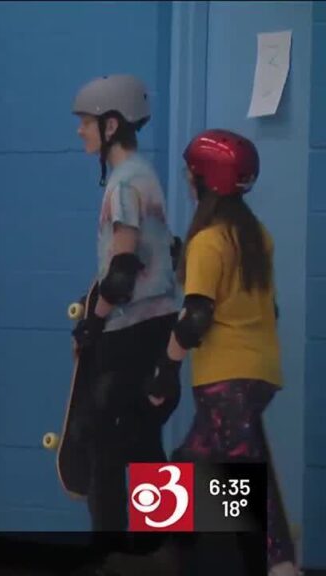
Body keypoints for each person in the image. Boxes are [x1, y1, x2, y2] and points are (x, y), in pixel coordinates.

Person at [144, 129, 299, 576]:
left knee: (248, 479)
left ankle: (281, 564)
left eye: (190, 174)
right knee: (189, 465)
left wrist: (164, 371)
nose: (187, 181)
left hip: (225, 379)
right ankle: (171, 558)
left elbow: (195, 319)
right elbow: (269, 307)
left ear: (203, 180)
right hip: (260, 371)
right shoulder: (255, 236)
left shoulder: (209, 241)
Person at [69, 74, 182, 552]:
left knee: (107, 452)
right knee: (144, 447)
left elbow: (121, 271)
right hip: (158, 327)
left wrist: (91, 324)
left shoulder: (122, 186)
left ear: (111, 124)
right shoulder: (145, 174)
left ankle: (115, 557)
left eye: (87, 123)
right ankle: (161, 553)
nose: (80, 131)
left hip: (128, 331)